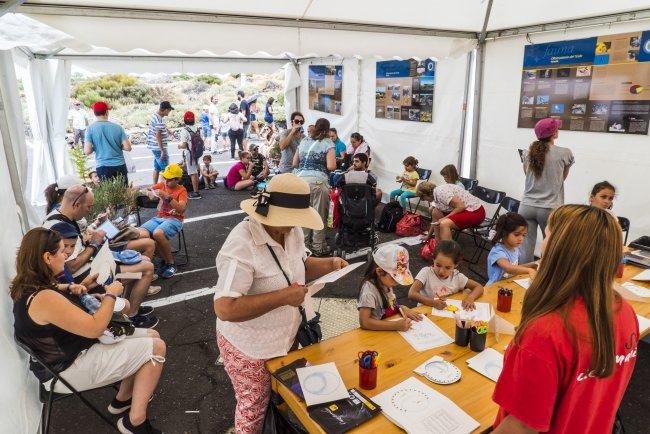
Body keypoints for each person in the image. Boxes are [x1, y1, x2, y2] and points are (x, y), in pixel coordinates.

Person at [213, 173, 348, 434]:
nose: (293, 227)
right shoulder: (241, 244)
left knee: (281, 396)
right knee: (252, 408)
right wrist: (284, 297)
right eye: (287, 222)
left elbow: (300, 264)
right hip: (249, 347)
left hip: (285, 337)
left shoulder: (291, 229)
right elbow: (225, 308)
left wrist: (330, 264)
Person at [492, 205, 638, 434]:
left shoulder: (546, 332)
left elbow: (519, 428)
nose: (542, 242)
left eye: (547, 235)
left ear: (560, 248)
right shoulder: (625, 311)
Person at [11, 228, 166, 434]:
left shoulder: (28, 286)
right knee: (156, 347)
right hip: (65, 370)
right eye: (61, 251)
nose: (66, 255)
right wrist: (110, 295)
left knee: (152, 336)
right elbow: (94, 328)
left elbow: (60, 303)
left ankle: (122, 400)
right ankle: (134, 423)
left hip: (65, 357)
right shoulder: (43, 297)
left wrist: (80, 286)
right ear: (47, 257)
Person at [43, 185, 158, 328]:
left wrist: (88, 239)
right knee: (146, 269)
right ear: (76, 204)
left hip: (91, 269)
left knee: (143, 262)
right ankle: (131, 315)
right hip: (87, 276)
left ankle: (127, 308)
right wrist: (94, 244)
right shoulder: (58, 227)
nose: (89, 211)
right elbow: (71, 266)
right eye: (89, 207)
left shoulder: (58, 217)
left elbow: (74, 251)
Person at [519, 117, 574, 263]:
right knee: (549, 246)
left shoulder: (527, 153)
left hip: (526, 206)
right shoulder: (565, 153)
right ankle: (544, 280)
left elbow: (527, 175)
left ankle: (524, 280)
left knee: (525, 247)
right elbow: (562, 178)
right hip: (550, 208)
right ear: (554, 133)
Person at [293, 117, 336, 256]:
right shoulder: (328, 143)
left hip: (300, 181)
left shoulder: (304, 140)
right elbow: (331, 166)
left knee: (304, 214)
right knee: (318, 215)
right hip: (318, 182)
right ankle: (318, 246)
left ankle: (304, 246)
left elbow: (295, 163)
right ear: (327, 129)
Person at [138, 164, 187, 279]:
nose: (166, 181)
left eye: (170, 179)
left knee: (157, 233)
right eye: (165, 178)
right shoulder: (162, 184)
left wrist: (167, 196)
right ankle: (163, 259)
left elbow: (181, 209)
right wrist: (148, 193)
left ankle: (171, 263)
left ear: (177, 180)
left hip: (175, 219)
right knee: (140, 233)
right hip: (160, 218)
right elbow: (147, 189)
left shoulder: (182, 190)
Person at [358, 244, 422, 331]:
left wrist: (402, 308)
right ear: (379, 272)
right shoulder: (369, 293)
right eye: (394, 277)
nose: (397, 282)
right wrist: (395, 325)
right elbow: (364, 322)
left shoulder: (385, 282)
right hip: (374, 336)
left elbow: (391, 304)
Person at [408, 240, 483, 310]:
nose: (441, 271)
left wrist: (470, 298)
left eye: (447, 267)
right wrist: (433, 303)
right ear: (433, 259)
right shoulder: (426, 273)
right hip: (426, 312)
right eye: (438, 265)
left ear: (456, 265)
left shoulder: (457, 277)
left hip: (447, 313)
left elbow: (479, 287)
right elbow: (412, 293)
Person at [417, 181, 486, 241]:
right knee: (435, 212)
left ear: (426, 195)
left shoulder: (441, 193)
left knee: (444, 223)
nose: (426, 200)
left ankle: (447, 254)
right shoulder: (436, 193)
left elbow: (461, 206)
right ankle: (437, 243)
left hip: (475, 212)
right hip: (466, 210)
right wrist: (428, 236)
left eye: (424, 199)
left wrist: (445, 218)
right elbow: (435, 222)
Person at [84, 101, 132, 185]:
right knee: (124, 194)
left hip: (103, 167)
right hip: (119, 165)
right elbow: (128, 148)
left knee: (107, 195)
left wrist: (96, 147)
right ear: (107, 112)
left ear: (94, 113)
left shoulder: (90, 129)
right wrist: (118, 146)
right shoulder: (118, 128)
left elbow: (87, 151)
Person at [487, 213, 538, 285]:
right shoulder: (498, 252)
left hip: (509, 284)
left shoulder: (515, 248)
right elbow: (509, 268)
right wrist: (529, 270)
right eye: (517, 234)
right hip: (494, 288)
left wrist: (533, 264)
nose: (521, 239)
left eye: (524, 235)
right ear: (504, 233)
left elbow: (515, 268)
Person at [147, 101, 174, 185]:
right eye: (169, 110)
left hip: (154, 147)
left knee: (157, 168)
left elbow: (159, 128)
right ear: (165, 110)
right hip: (159, 148)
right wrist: (162, 150)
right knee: (165, 170)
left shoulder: (155, 116)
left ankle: (154, 186)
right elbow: (158, 135)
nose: (169, 112)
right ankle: (164, 190)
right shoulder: (159, 119)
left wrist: (167, 130)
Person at [178, 111, 202, 199]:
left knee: (193, 172)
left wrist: (179, 146)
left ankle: (196, 193)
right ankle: (196, 190)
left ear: (185, 120)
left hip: (190, 153)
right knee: (195, 170)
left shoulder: (185, 130)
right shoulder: (197, 128)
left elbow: (184, 145)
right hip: (197, 152)